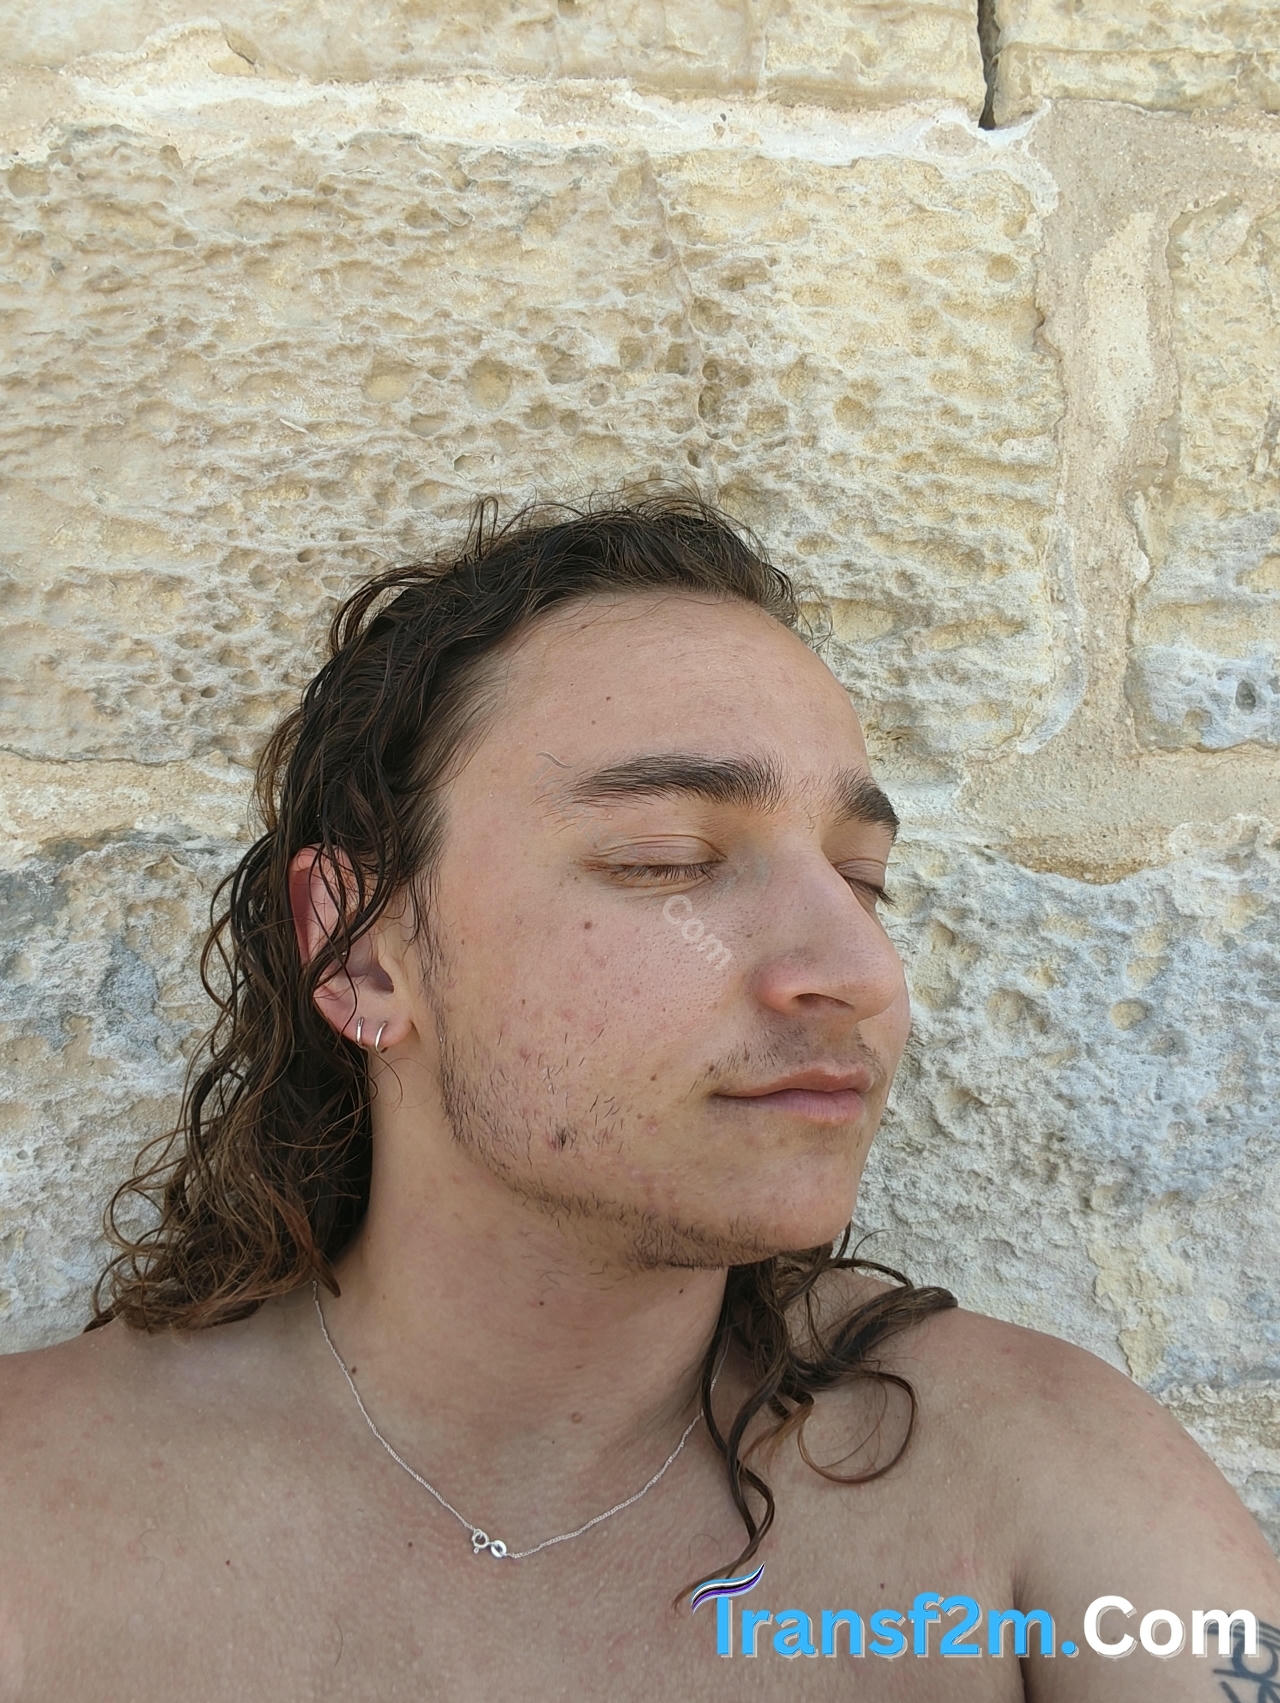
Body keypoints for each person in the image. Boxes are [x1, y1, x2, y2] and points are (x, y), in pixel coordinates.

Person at [0, 492, 1276, 1703]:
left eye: (860, 876)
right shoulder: (37, 1522)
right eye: (665, 860)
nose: (857, 970)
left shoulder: (1041, 1491)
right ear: (364, 950)